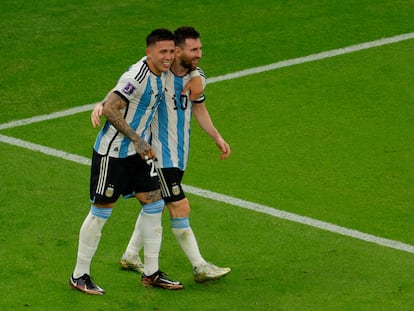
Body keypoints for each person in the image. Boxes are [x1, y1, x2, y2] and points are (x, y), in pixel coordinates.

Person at [92, 26, 231, 283]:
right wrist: (103, 103)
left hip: (179, 154)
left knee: (153, 206)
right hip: (158, 156)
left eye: (200, 49)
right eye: (194, 50)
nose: (199, 54)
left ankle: (131, 255)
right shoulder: (160, 75)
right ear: (178, 51)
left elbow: (199, 107)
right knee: (179, 206)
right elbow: (127, 83)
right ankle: (199, 266)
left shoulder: (194, 77)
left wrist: (217, 137)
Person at [69, 28, 184, 296]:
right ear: (149, 53)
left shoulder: (164, 71)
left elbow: (117, 92)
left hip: (138, 155)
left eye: (171, 51)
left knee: (154, 203)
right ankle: (79, 275)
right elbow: (112, 107)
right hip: (114, 153)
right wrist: (136, 138)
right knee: (101, 211)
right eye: (162, 52)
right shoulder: (139, 76)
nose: (168, 57)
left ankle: (151, 273)